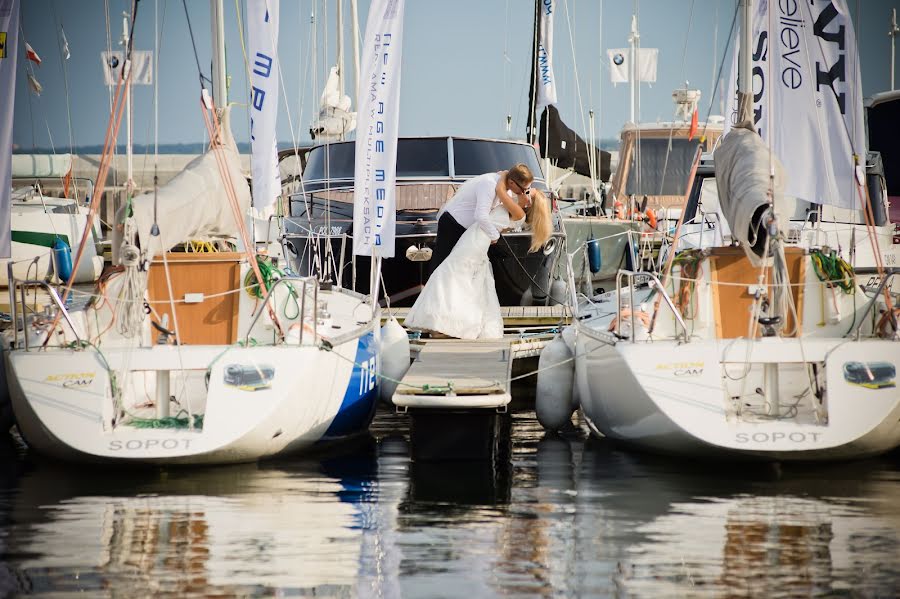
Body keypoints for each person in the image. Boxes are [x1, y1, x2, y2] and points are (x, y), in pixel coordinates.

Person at [404, 178, 552, 340]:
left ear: (529, 202)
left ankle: (444, 323)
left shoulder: (518, 212)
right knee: (459, 279)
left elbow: (501, 193)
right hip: (474, 239)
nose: (524, 191)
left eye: (528, 192)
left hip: (475, 242)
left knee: (451, 276)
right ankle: (444, 323)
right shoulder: (516, 210)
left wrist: (502, 177)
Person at [429, 164, 535, 274]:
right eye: (524, 189)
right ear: (512, 183)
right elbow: (481, 215)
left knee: (459, 269)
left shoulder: (506, 190)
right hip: (452, 225)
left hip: (469, 230)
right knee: (441, 265)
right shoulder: (489, 184)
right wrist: (494, 236)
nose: (524, 192)